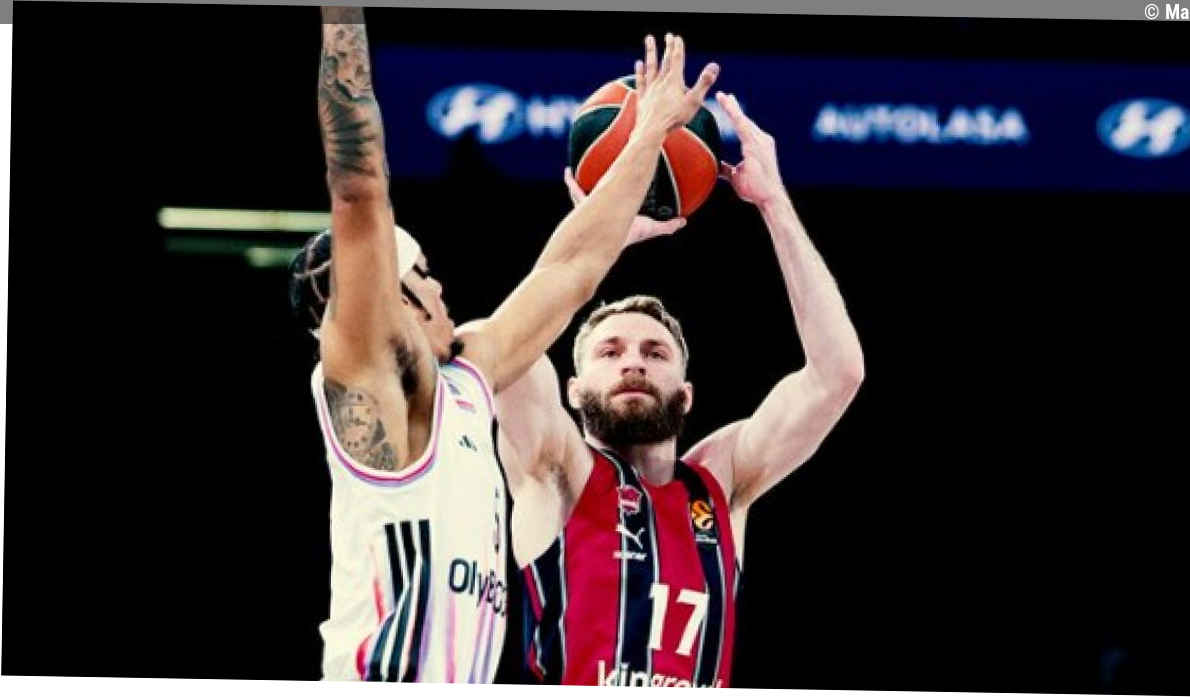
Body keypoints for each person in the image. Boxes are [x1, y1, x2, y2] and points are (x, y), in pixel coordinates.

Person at [289, 8, 718, 683]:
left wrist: (647, 140)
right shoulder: (367, 384)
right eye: (423, 274)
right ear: (391, 299)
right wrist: (343, 18)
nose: (440, 288)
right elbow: (359, 188)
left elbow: (568, 272)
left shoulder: (467, 371)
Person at [495, 90, 866, 687]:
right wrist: (601, 238)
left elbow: (838, 373)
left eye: (655, 352)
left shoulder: (720, 480)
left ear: (687, 394)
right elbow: (507, 349)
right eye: (610, 352)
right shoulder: (555, 469)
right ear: (573, 391)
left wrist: (774, 204)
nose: (633, 363)